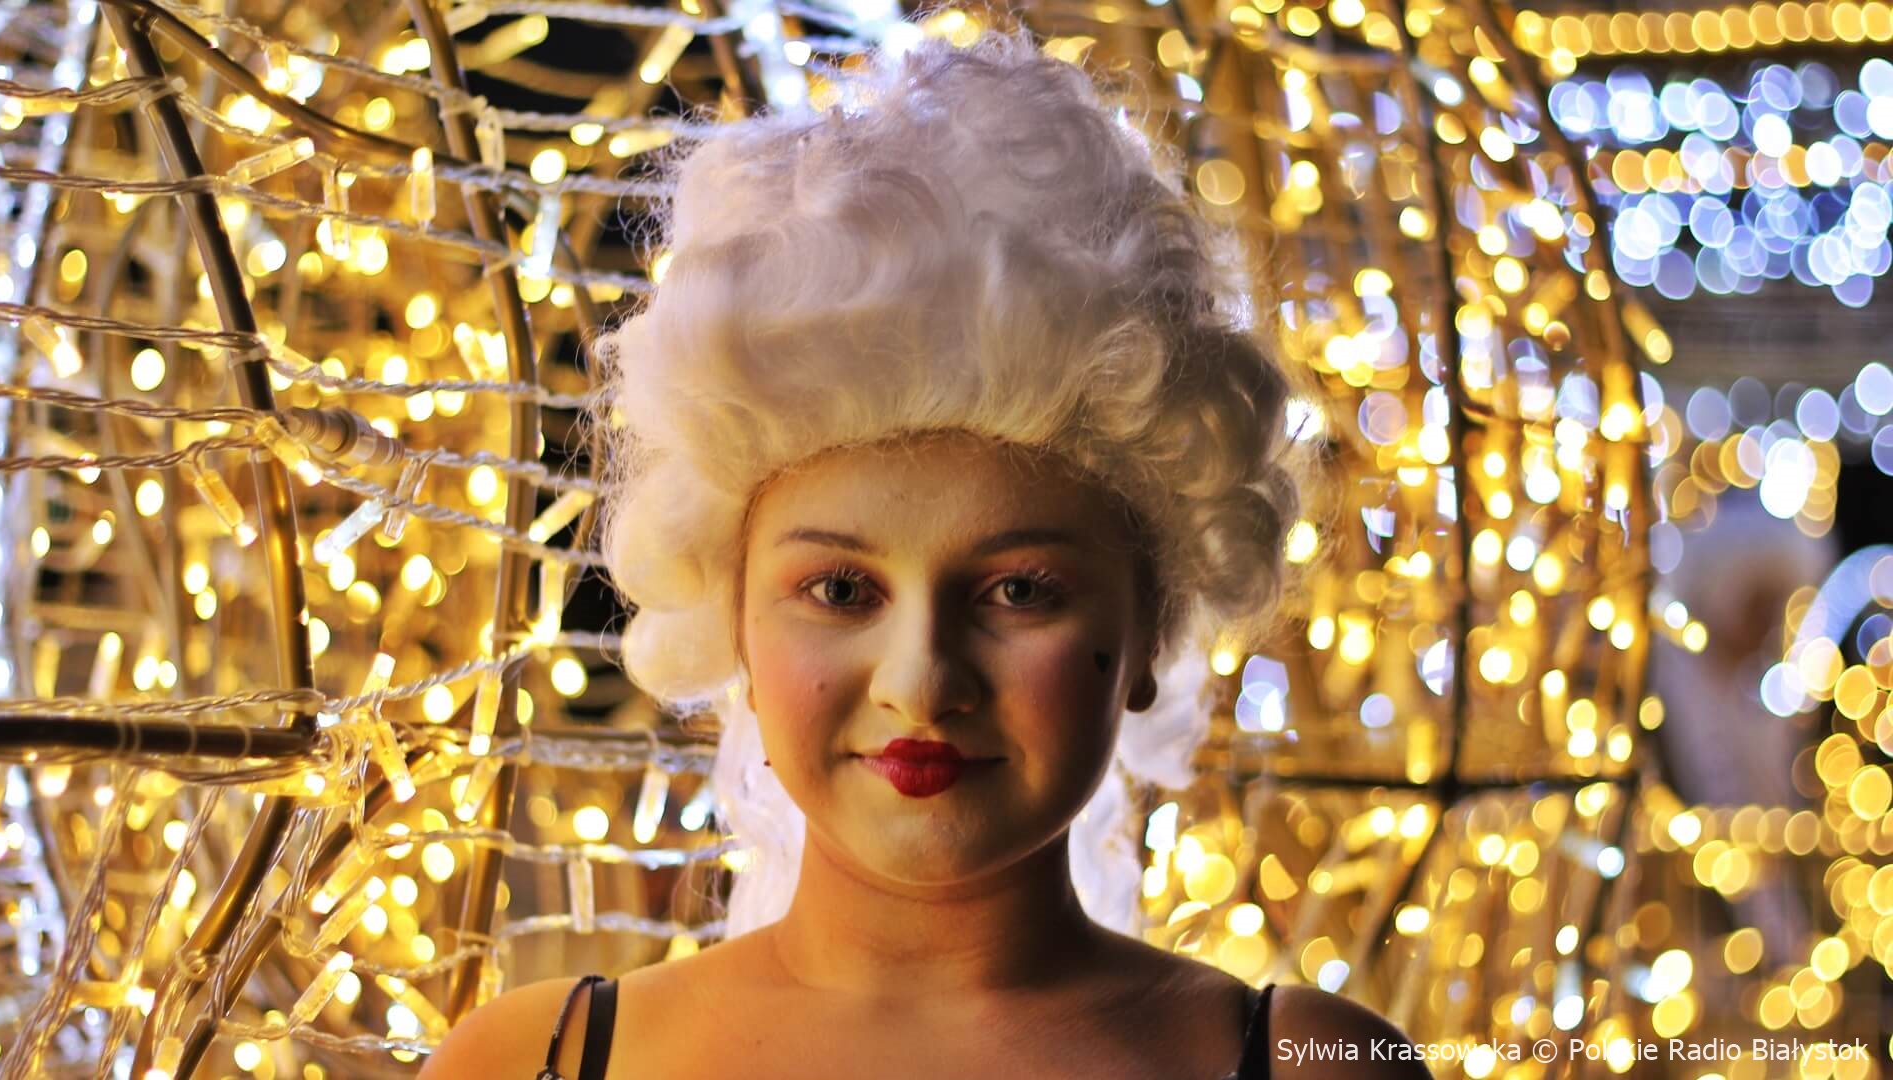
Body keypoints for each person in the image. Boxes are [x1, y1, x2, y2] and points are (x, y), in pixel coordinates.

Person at [422, 16, 1428, 1078]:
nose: (923, 682)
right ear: (735, 628)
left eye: (1021, 590)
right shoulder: (523, 1062)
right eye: (841, 589)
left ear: (1151, 629)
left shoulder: (1318, 1066)